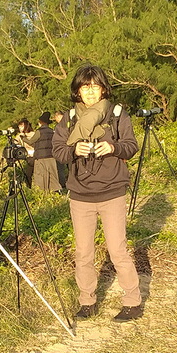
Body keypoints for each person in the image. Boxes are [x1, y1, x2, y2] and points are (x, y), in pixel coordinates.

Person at [52, 64, 142, 322]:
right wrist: (74, 151)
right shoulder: (69, 118)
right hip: (80, 194)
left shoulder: (116, 113)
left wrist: (112, 148)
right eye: (85, 87)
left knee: (117, 249)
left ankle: (132, 302)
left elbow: (131, 145)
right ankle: (87, 302)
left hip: (112, 191)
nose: (90, 92)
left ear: (103, 89)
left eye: (94, 86)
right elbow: (58, 150)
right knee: (84, 252)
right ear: (77, 91)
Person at [27, 111, 60, 193]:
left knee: (40, 177)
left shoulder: (39, 132)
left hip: (41, 158)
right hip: (51, 157)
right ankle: (56, 193)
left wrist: (23, 138)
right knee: (53, 177)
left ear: (40, 122)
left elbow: (31, 141)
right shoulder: (52, 131)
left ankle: (42, 194)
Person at [14, 118, 36, 187]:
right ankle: (28, 187)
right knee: (28, 174)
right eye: (19, 126)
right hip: (28, 156)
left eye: (21, 126)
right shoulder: (20, 135)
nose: (20, 128)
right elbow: (15, 142)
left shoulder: (33, 134)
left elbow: (33, 143)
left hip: (35, 155)